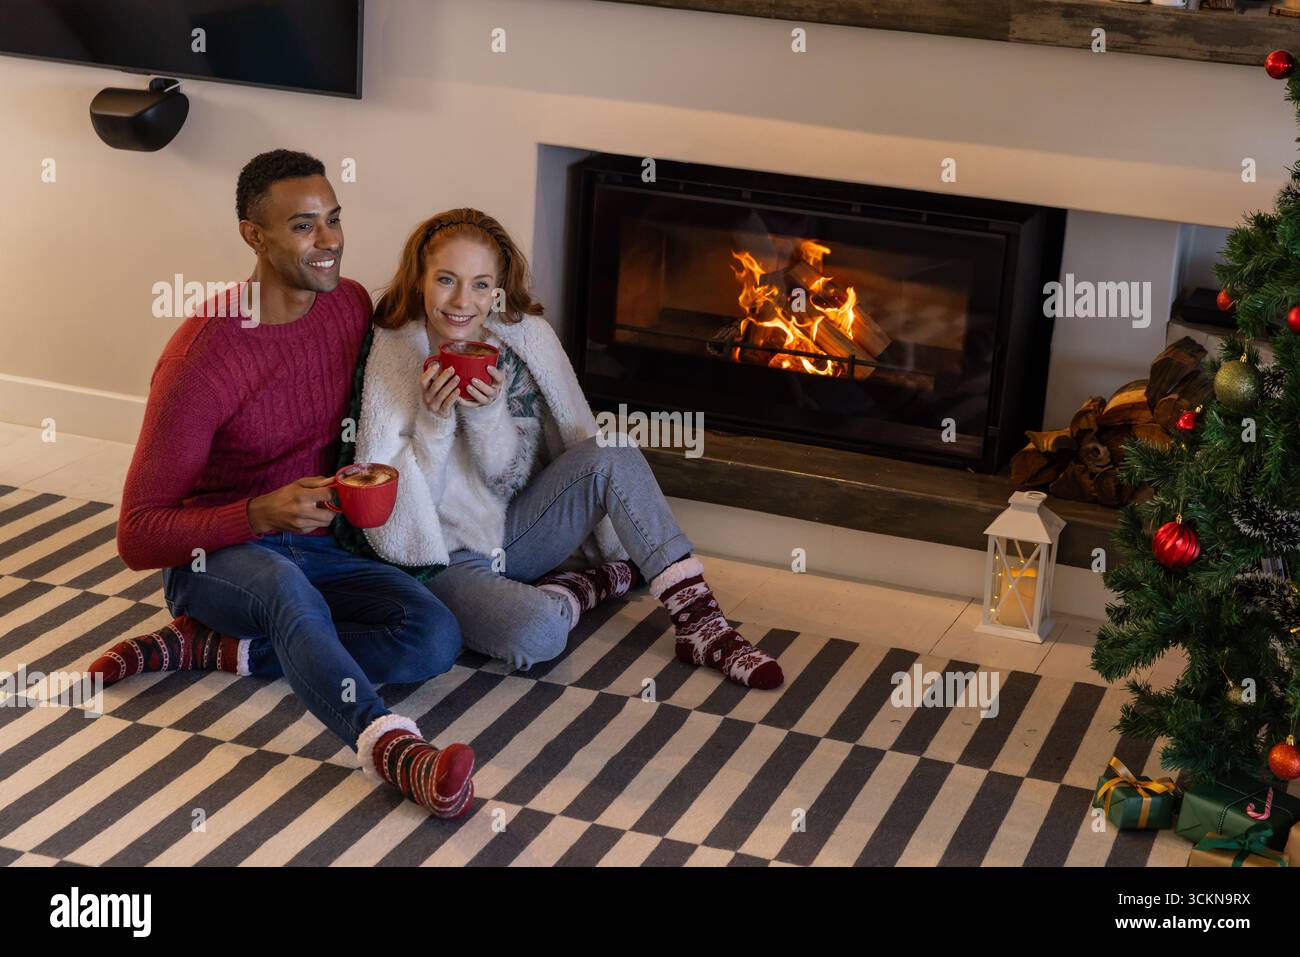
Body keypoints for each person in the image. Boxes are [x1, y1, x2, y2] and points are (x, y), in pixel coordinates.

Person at [90, 150, 475, 820]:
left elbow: (403, 372)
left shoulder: (348, 304)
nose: (329, 240)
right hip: (217, 557)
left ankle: (212, 647)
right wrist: (258, 512)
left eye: (333, 219)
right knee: (286, 591)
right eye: (304, 226)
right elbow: (138, 533)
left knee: (434, 635)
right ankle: (392, 747)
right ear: (255, 235)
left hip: (320, 542)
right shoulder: (203, 357)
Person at [335, 208, 784, 690]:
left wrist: (488, 415)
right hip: (442, 556)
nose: (463, 301)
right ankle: (586, 586)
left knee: (612, 448)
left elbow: (508, 476)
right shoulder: (394, 353)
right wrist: (436, 421)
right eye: (446, 279)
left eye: (481, 284)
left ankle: (699, 622)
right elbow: (398, 507)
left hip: (516, 530)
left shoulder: (516, 340)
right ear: (420, 279)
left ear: (499, 288)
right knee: (539, 634)